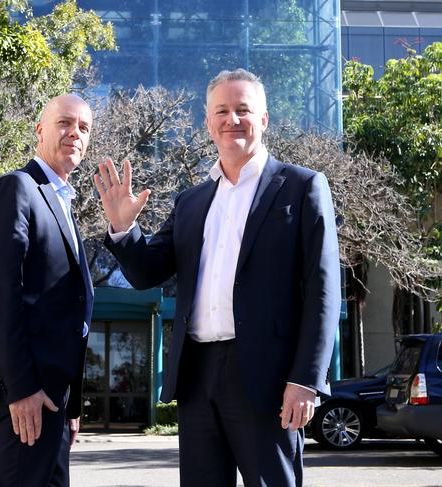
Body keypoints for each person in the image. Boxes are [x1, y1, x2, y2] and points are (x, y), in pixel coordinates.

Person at [94, 69, 340, 487]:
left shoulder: (302, 187)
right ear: (208, 123)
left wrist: (305, 380)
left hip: (269, 376)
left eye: (243, 110)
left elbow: (323, 291)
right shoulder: (192, 201)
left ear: (263, 119)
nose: (233, 120)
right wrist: (123, 230)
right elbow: (146, 272)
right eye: (222, 111)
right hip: (197, 374)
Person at [0, 94, 94, 487]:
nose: (75, 133)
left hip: (54, 402)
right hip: (25, 398)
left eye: (84, 128)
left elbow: (69, 308)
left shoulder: (62, 202)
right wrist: (21, 388)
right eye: (65, 123)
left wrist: (70, 403)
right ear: (39, 130)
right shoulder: (16, 189)